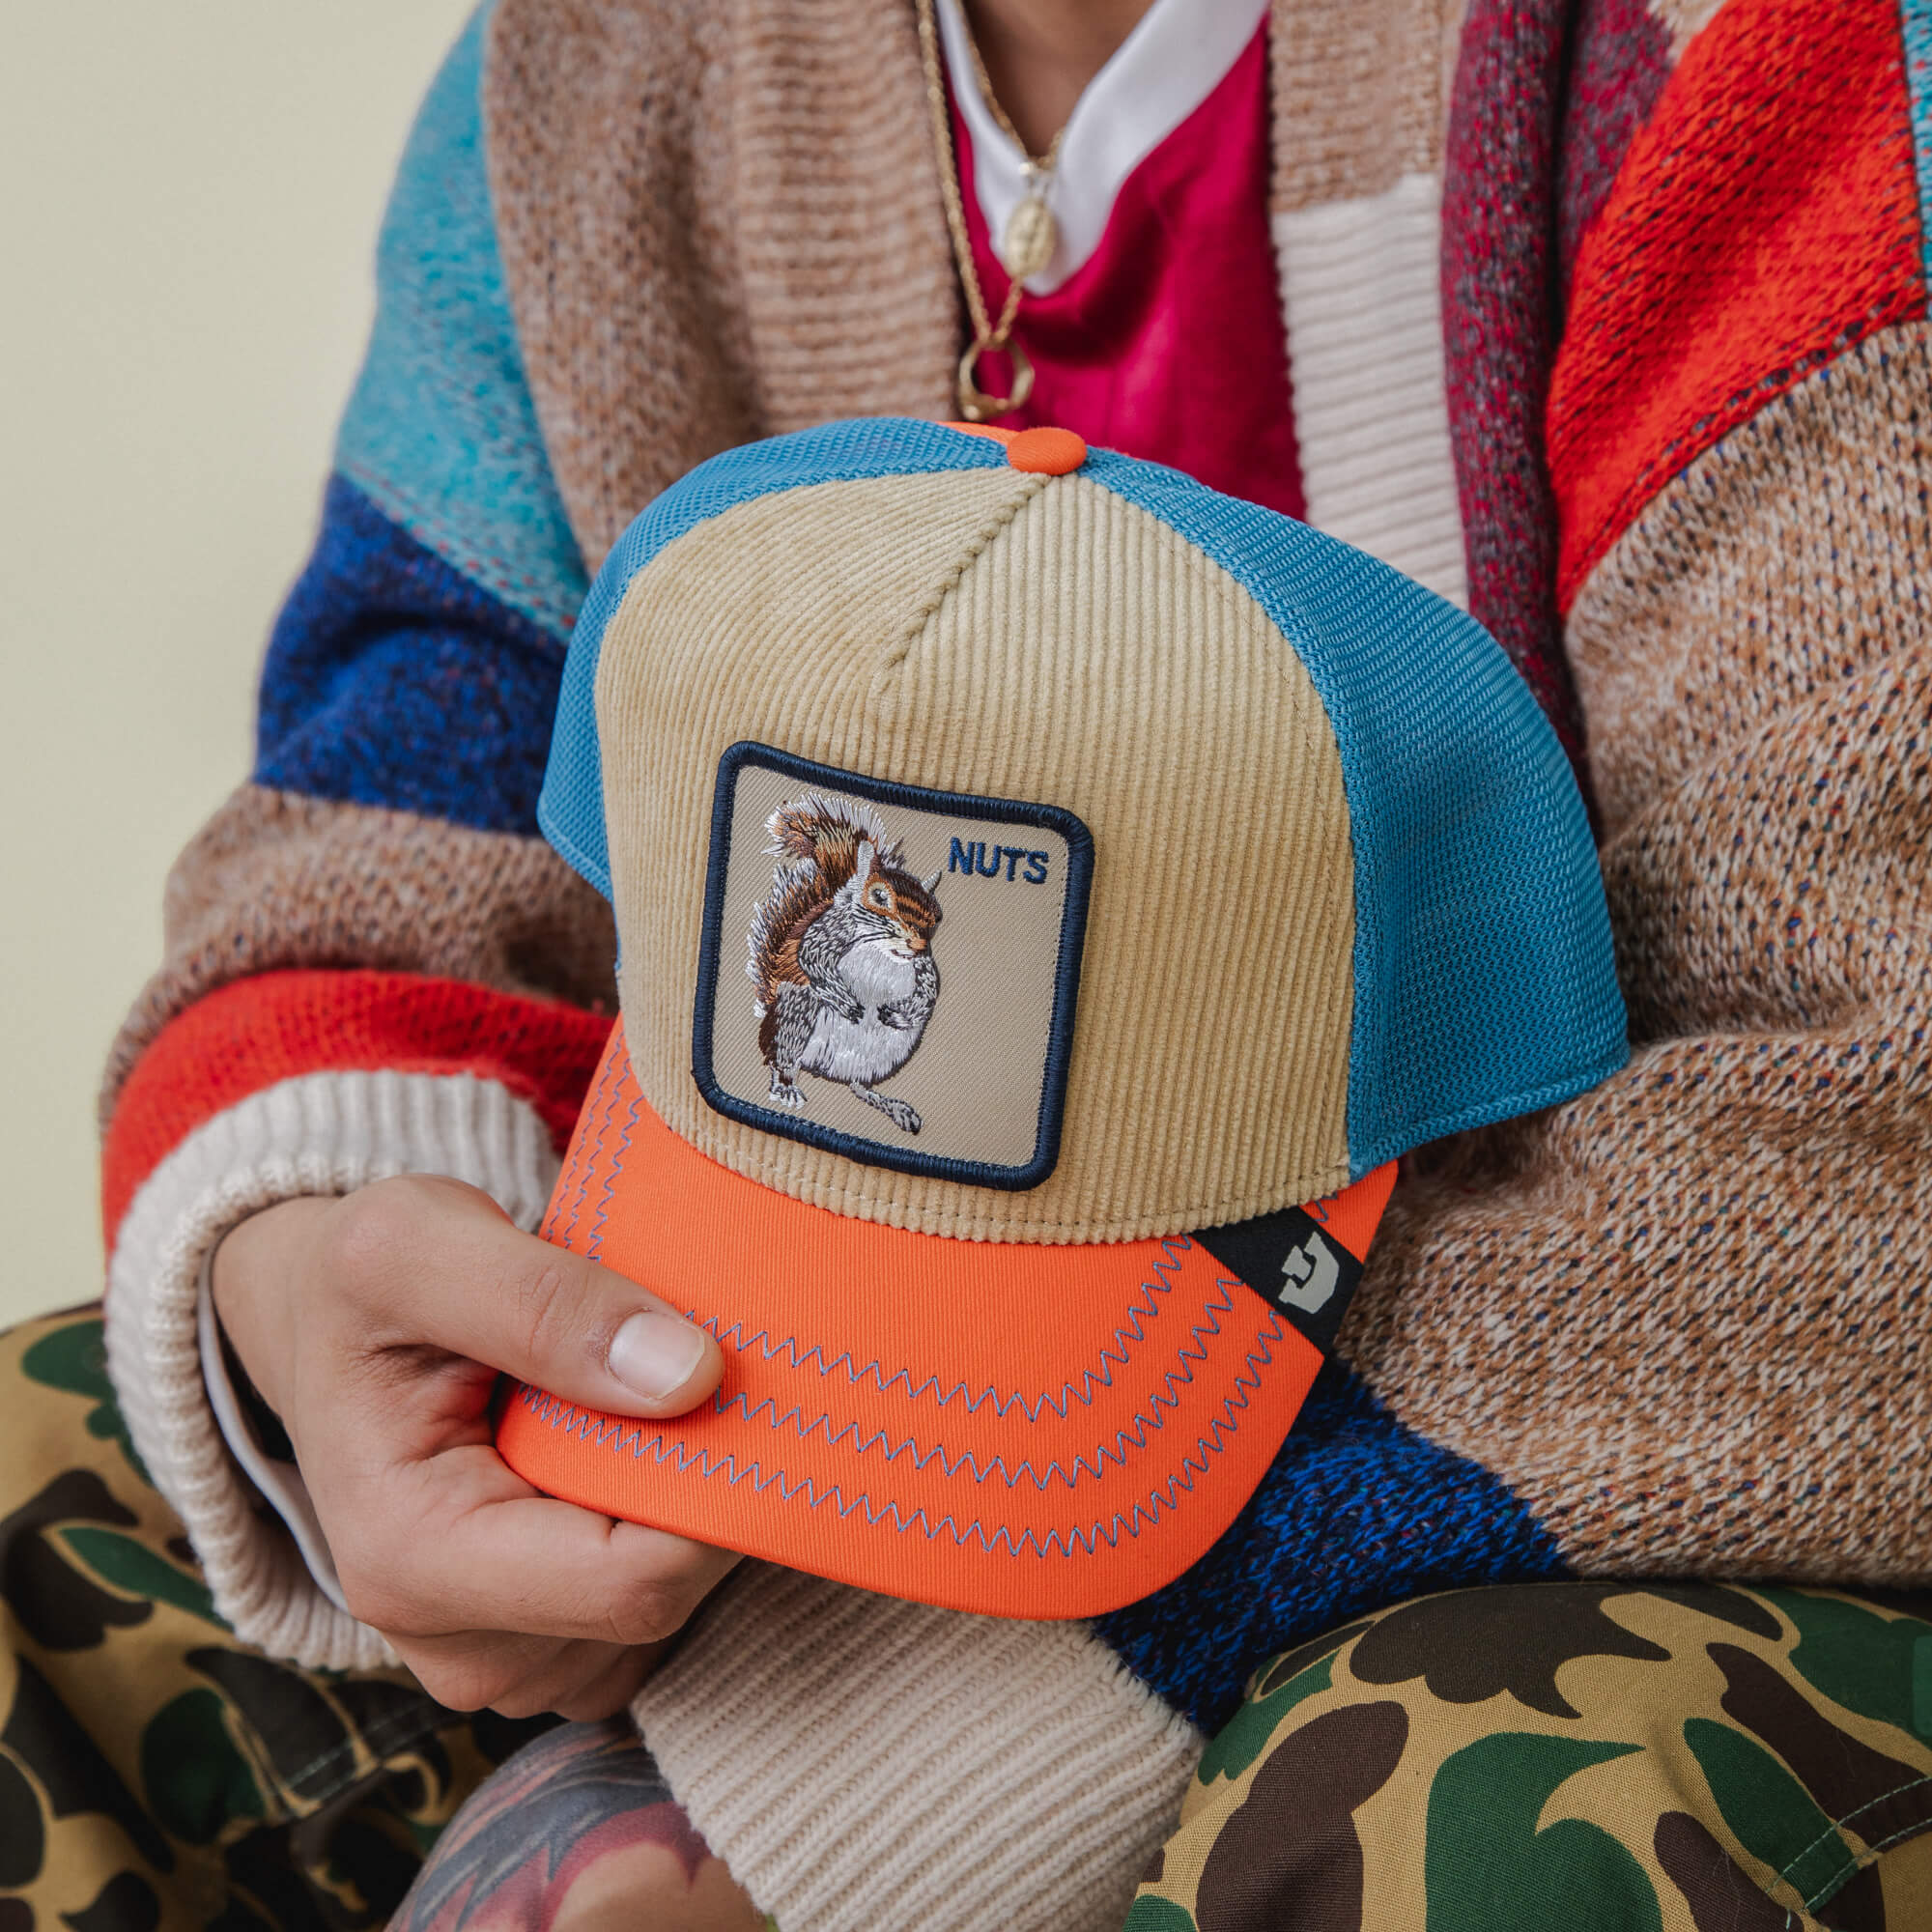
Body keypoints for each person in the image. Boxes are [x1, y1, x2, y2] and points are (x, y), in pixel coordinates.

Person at [7, 0, 1929, 1926]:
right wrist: (316, 1277)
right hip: (803, 1389)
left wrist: (892, 1751)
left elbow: (1878, 1153)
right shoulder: (588, 72)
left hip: (1616, 1458)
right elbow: (415, 787)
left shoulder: (1771, 49)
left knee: (1477, 1800)